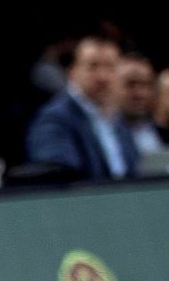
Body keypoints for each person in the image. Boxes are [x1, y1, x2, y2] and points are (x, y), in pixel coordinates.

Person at [24, 35, 137, 181]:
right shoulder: (55, 119)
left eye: (110, 67)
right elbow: (56, 175)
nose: (102, 77)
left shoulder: (118, 120)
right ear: (72, 72)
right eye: (93, 66)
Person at [117, 53, 161, 157]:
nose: (140, 94)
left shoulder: (161, 132)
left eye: (146, 84)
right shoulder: (100, 135)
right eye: (130, 84)